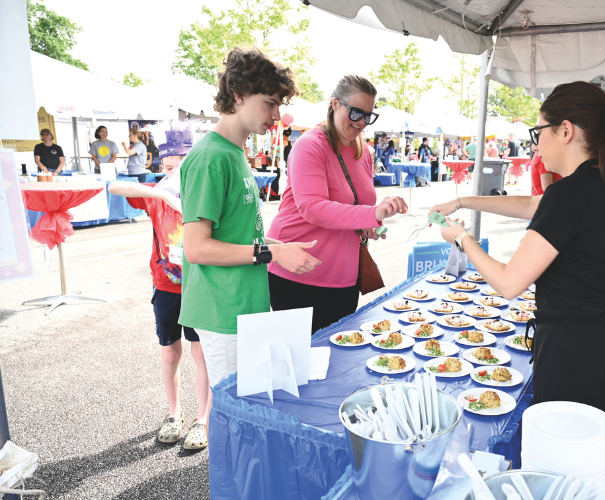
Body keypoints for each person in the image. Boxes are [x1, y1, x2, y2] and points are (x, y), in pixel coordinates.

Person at [431, 82, 605, 496]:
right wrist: (464, 201)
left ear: (565, 130)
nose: (537, 146)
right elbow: (536, 207)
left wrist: (463, 239)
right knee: (599, 474)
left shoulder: (571, 194)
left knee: (564, 479)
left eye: (540, 133)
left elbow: (509, 282)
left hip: (577, 354)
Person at [179, 46, 321, 389]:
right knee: (234, 416)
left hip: (243, 306)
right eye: (269, 103)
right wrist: (273, 254)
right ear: (238, 94)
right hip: (224, 311)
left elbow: (239, 233)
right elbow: (197, 248)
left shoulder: (234, 152)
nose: (275, 115)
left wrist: (281, 245)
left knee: (249, 409)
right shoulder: (210, 158)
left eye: (278, 104)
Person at [266, 75, 408, 333]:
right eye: (356, 113)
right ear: (335, 104)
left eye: (368, 115)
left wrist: (368, 224)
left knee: (338, 360)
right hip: (299, 272)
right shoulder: (310, 145)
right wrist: (371, 214)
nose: (361, 122)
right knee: (300, 364)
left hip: (343, 277)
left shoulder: (362, 150)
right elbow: (312, 207)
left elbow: (355, 204)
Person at [108, 124, 210, 450]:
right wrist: (159, 192)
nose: (171, 173)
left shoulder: (203, 191)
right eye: (165, 168)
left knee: (201, 352)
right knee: (170, 351)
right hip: (166, 285)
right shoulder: (158, 194)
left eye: (178, 167)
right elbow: (113, 187)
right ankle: (174, 413)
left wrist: (176, 195)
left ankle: (203, 419)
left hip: (200, 284)